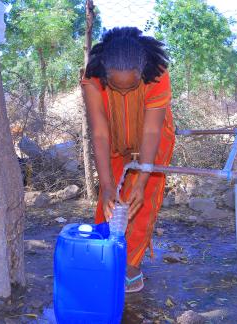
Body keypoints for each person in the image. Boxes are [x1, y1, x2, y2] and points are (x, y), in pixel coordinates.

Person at [81, 27, 175, 293]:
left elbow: (151, 130)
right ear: (105, 75)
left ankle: (130, 265)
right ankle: (106, 258)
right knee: (109, 202)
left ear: (142, 72)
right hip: (112, 138)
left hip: (153, 140)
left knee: (141, 203)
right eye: (115, 87)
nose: (123, 94)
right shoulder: (93, 78)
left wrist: (142, 179)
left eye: (131, 87)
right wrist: (108, 184)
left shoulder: (157, 74)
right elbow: (99, 133)